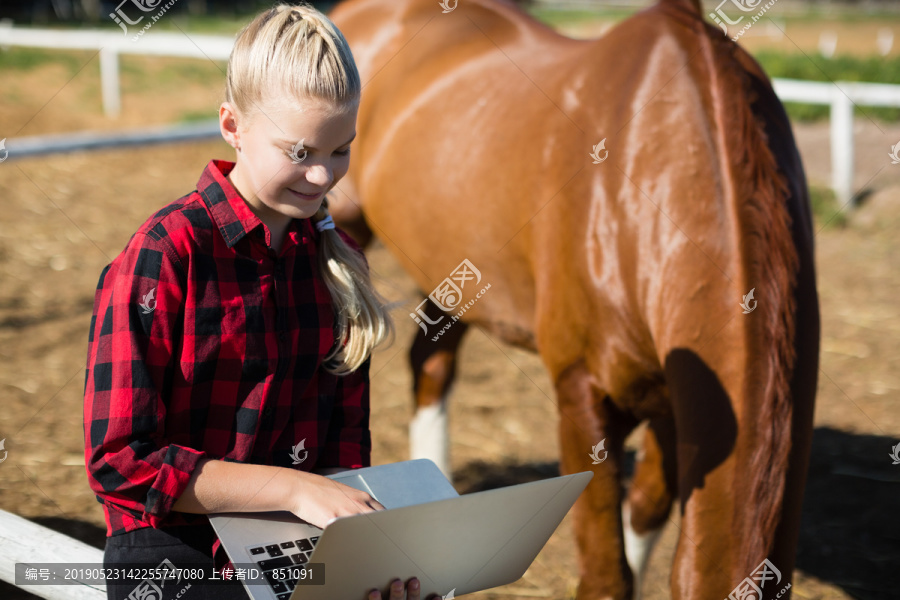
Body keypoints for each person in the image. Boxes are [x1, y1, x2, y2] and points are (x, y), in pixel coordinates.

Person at [83, 4, 428, 599]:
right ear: (232, 124)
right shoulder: (166, 253)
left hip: (292, 541)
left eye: (340, 149)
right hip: (172, 551)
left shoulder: (339, 261)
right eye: (299, 152)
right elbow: (121, 461)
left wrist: (362, 558)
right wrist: (292, 490)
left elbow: (341, 458)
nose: (323, 177)